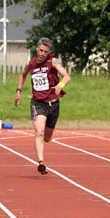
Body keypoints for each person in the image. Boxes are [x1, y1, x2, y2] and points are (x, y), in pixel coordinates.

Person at [14, 37, 70, 175]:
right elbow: (23, 75)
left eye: (46, 51)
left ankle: (44, 141)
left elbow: (67, 76)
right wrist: (18, 91)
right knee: (39, 132)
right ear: (36, 49)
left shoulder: (53, 61)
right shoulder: (31, 63)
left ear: (49, 52)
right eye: (41, 50)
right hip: (38, 103)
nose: (43, 53)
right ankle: (41, 162)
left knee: (47, 137)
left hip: (54, 104)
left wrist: (60, 85)